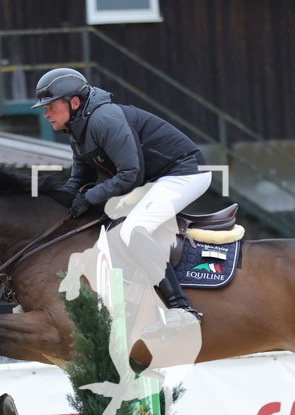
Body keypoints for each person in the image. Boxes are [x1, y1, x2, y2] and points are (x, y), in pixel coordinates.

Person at [32, 67, 211, 325]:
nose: (46, 113)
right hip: (155, 180)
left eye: (50, 106)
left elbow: (131, 174)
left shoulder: (104, 119)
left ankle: (181, 308)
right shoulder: (77, 130)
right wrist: (51, 205)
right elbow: (78, 182)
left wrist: (91, 197)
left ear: (74, 102)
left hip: (186, 172)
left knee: (134, 230)